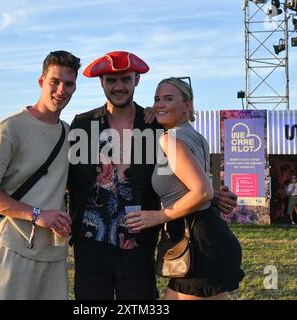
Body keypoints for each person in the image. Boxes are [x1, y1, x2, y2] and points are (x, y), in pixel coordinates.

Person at [68, 51, 239, 300]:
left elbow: (183, 176)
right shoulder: (83, 124)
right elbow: (69, 177)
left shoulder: (155, 125)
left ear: (136, 80)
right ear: (101, 82)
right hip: (90, 242)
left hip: (139, 241)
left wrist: (212, 196)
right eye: (111, 81)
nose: (118, 87)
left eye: (125, 79)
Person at [0, 50, 80, 300]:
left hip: (53, 252)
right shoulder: (10, 128)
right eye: (55, 81)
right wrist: (37, 215)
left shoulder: (69, 133)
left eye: (69, 84)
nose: (61, 90)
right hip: (11, 248)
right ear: (41, 81)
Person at [125, 77, 244, 300]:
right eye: (156, 99)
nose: (159, 104)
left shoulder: (170, 139)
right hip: (205, 236)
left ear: (187, 105)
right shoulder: (196, 136)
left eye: (168, 99)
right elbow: (197, 188)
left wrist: (159, 216)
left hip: (197, 243)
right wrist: (216, 197)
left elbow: (202, 191)